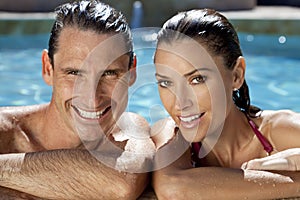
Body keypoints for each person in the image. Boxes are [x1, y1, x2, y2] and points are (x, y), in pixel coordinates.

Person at [0, 1, 154, 199]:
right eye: (74, 73)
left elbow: (121, 184)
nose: (91, 96)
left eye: (109, 73)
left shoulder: (131, 131)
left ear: (131, 72)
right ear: (48, 69)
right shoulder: (5, 134)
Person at [151, 8, 300, 199]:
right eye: (166, 83)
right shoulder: (169, 136)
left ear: (237, 75)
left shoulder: (277, 131)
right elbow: (172, 187)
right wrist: (294, 181)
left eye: (197, 79)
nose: (180, 102)